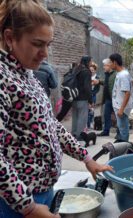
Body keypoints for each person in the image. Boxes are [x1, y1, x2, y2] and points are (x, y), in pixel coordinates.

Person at [0, 1, 113, 218]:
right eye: (37, 44)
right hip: (14, 203)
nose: (44, 53)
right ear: (9, 38)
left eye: (48, 45)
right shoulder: (3, 78)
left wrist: (86, 159)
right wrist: (27, 206)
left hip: (41, 194)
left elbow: (50, 126)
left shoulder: (27, 74)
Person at [109, 53, 133, 142]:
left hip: (121, 107)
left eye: (111, 62)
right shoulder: (121, 73)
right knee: (121, 127)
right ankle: (121, 143)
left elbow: (127, 93)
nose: (110, 64)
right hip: (118, 105)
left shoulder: (123, 75)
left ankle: (124, 148)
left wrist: (121, 109)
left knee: (123, 130)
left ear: (115, 62)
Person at [93, 58, 117, 136]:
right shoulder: (107, 74)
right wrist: (99, 81)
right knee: (106, 115)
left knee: (118, 116)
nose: (103, 67)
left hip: (114, 99)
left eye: (105, 65)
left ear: (109, 65)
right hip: (107, 99)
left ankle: (120, 133)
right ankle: (106, 131)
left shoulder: (115, 74)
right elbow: (107, 83)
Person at [71, 55, 93, 140]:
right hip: (82, 98)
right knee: (82, 117)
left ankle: (73, 133)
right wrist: (90, 100)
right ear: (87, 61)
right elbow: (87, 87)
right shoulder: (86, 72)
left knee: (75, 116)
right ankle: (79, 135)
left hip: (74, 97)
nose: (91, 63)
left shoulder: (76, 69)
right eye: (90, 61)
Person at [87, 62, 99, 129]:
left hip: (93, 95)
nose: (91, 72)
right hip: (87, 95)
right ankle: (87, 124)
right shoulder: (87, 76)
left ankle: (91, 122)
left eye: (92, 70)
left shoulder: (97, 78)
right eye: (90, 70)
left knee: (92, 109)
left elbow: (98, 89)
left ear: (95, 70)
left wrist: (93, 92)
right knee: (87, 109)